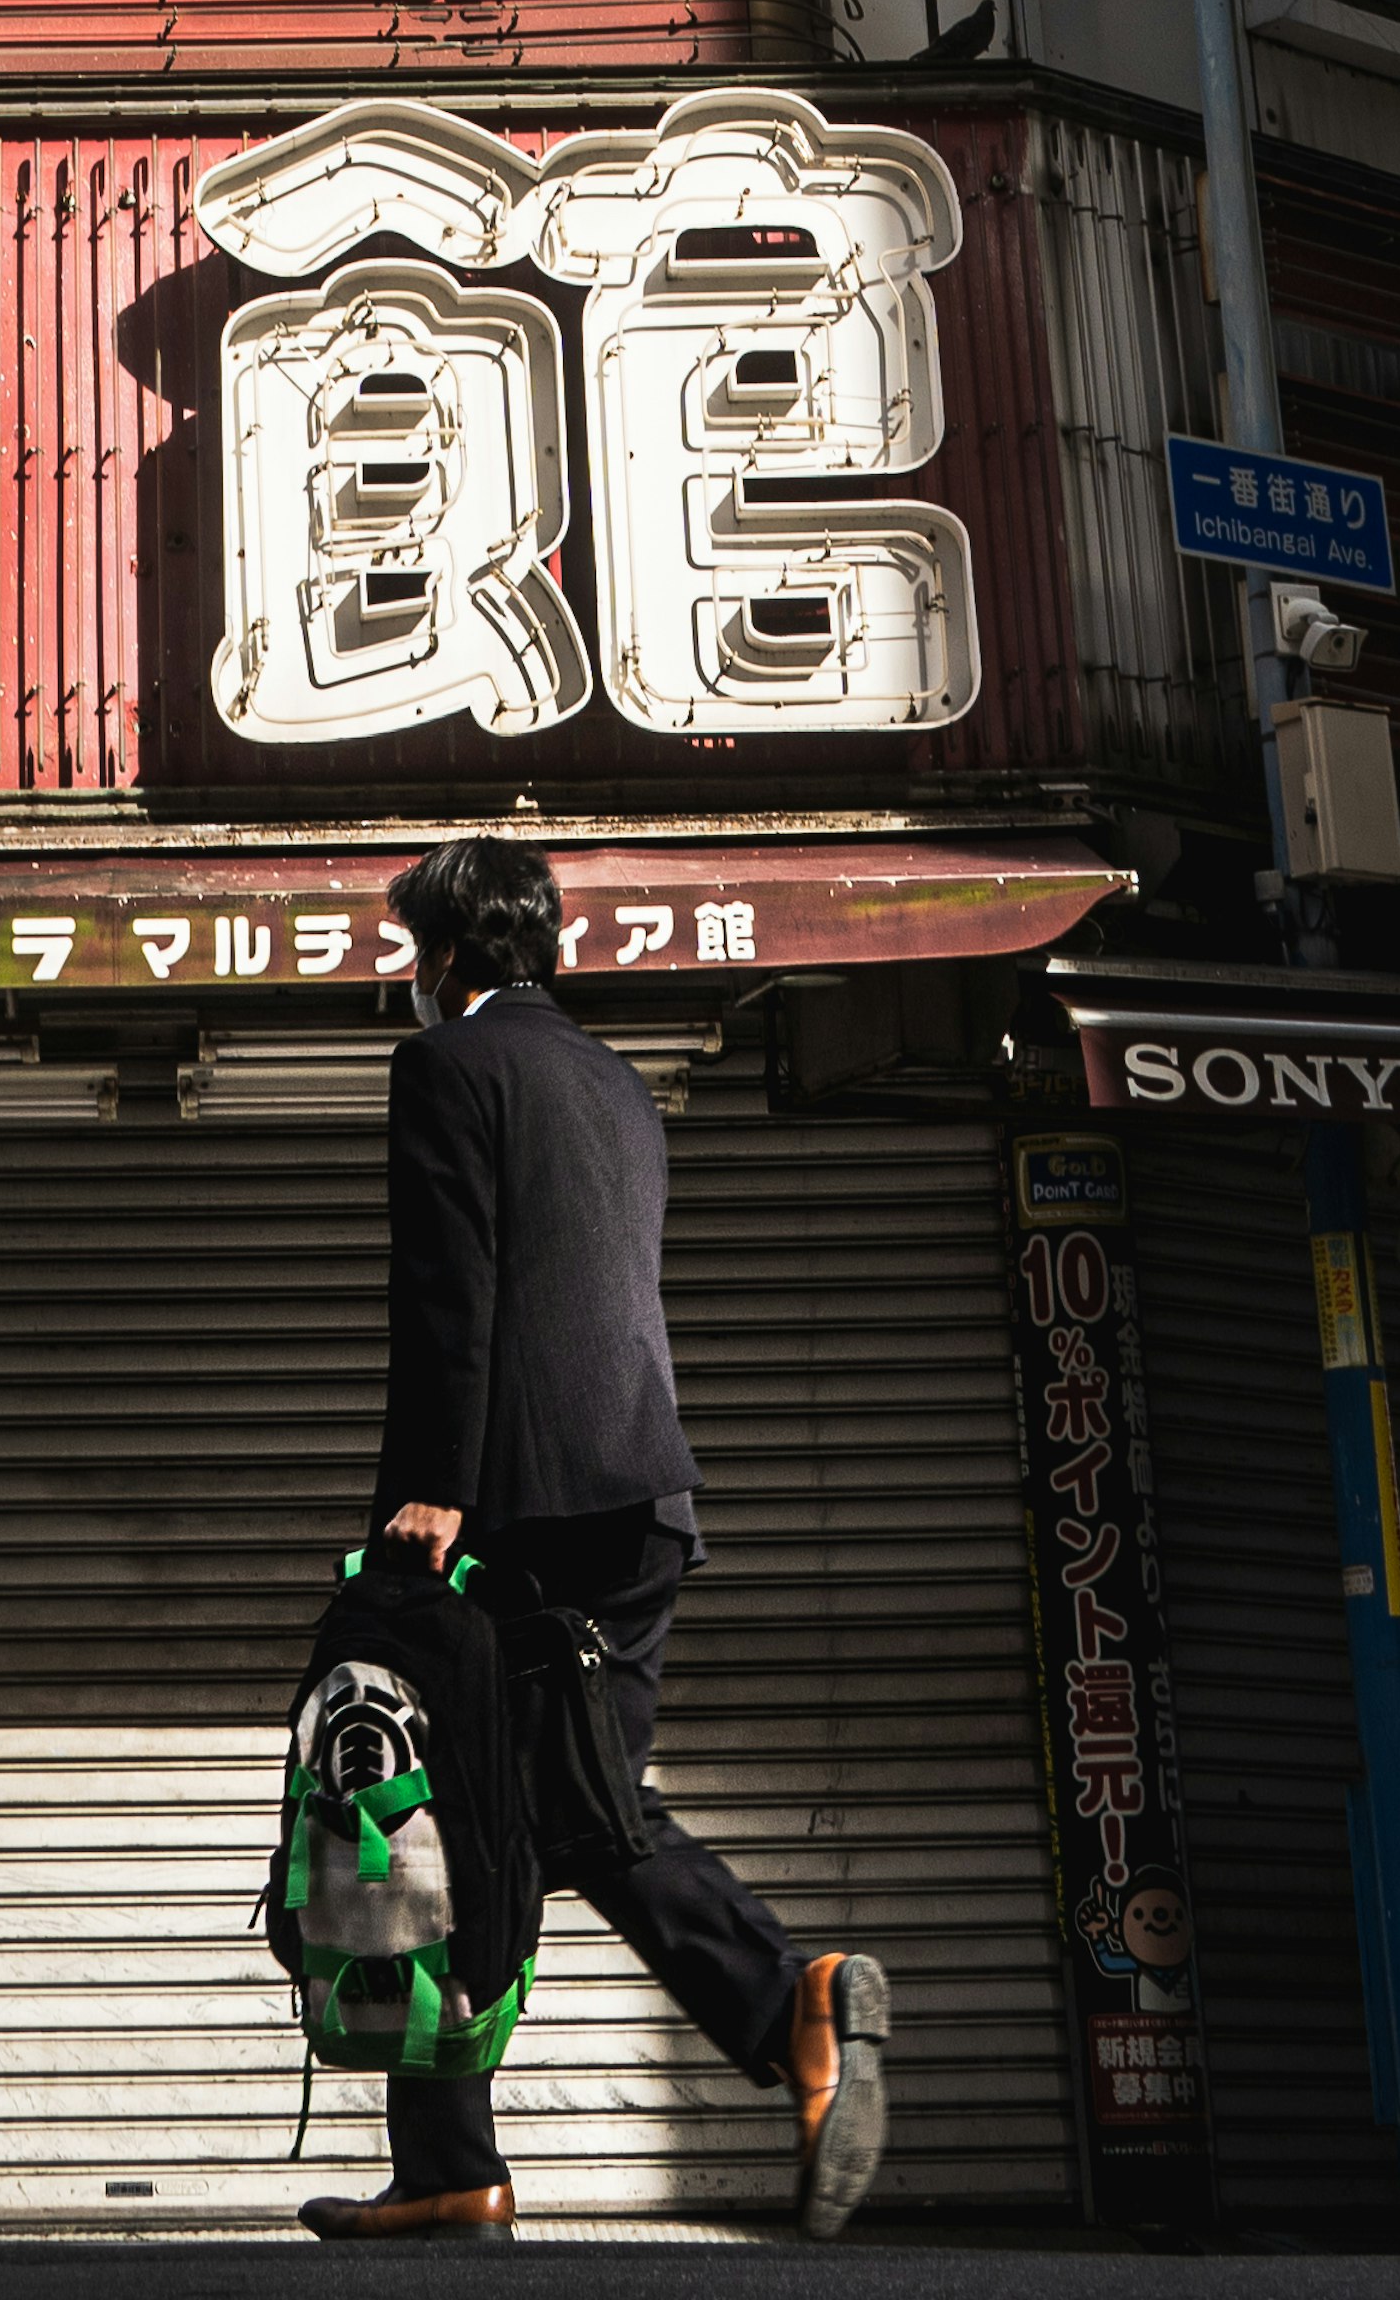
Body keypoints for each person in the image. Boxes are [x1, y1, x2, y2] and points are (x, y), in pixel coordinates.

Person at [300, 835, 888, 2248]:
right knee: (557, 1811)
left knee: (462, 1810)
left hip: (521, 1507)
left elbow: (454, 1292)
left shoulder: (448, 1069)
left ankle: (777, 2000)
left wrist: (427, 1496)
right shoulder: (617, 1082)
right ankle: (459, 2157)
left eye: (413, 957)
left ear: (441, 956)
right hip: (641, 1501)